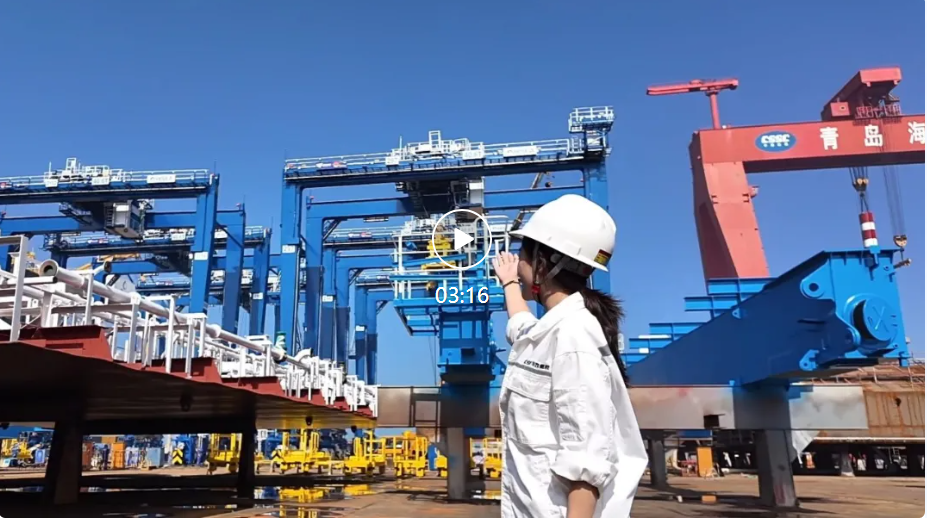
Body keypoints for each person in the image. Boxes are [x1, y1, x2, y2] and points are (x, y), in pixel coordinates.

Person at [491, 194, 647, 518]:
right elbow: (521, 325)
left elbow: (585, 460)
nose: (518, 265)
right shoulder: (551, 332)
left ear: (543, 263)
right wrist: (509, 282)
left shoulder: (575, 337)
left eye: (522, 256)